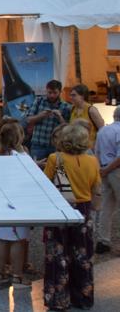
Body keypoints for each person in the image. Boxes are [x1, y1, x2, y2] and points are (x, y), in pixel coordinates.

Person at [42, 121, 100, 311]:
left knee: (58, 255)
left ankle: (59, 299)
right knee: (82, 255)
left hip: (60, 209)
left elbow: (47, 184)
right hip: (83, 210)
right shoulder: (92, 160)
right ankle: (83, 297)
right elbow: (96, 188)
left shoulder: (55, 158)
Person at [0, 121, 33, 286]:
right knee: (18, 239)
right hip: (18, 201)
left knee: (0, 236)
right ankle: (17, 275)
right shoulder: (22, 157)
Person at [23, 80, 70, 161]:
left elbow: (67, 128)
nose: (52, 95)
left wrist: (60, 117)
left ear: (60, 92)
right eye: (49, 92)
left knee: (57, 171)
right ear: (46, 90)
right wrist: (40, 116)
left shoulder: (65, 106)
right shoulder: (38, 101)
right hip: (38, 144)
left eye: (55, 93)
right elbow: (28, 120)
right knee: (36, 169)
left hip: (56, 146)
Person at [95, 106, 120, 256]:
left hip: (104, 169)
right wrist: (109, 169)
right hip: (116, 170)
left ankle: (103, 241)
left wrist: (102, 170)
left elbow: (96, 152)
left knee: (106, 207)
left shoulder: (103, 130)